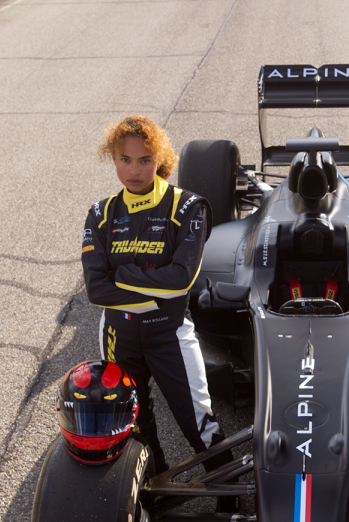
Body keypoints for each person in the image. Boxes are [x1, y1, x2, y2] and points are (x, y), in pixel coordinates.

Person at [81, 116, 235, 498]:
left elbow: (180, 280)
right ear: (113, 159)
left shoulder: (188, 207)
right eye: (125, 159)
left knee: (198, 422)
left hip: (170, 332)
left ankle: (229, 494)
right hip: (118, 333)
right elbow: (96, 290)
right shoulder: (100, 214)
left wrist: (121, 273)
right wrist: (154, 288)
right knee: (133, 423)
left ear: (161, 159)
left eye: (145, 160)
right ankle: (155, 488)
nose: (134, 170)